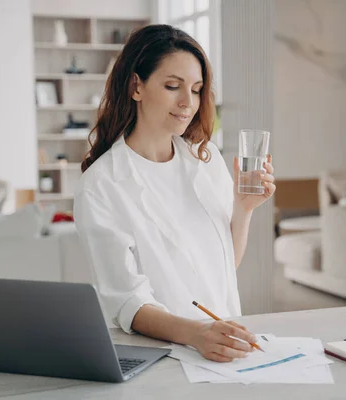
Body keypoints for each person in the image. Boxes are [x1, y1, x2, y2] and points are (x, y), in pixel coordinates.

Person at [74, 24, 275, 363]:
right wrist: (197, 334)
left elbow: (223, 267)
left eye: (197, 90)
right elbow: (127, 302)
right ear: (136, 85)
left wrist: (244, 208)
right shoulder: (101, 185)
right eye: (172, 86)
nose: (187, 102)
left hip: (224, 349)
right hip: (162, 356)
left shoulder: (205, 160)